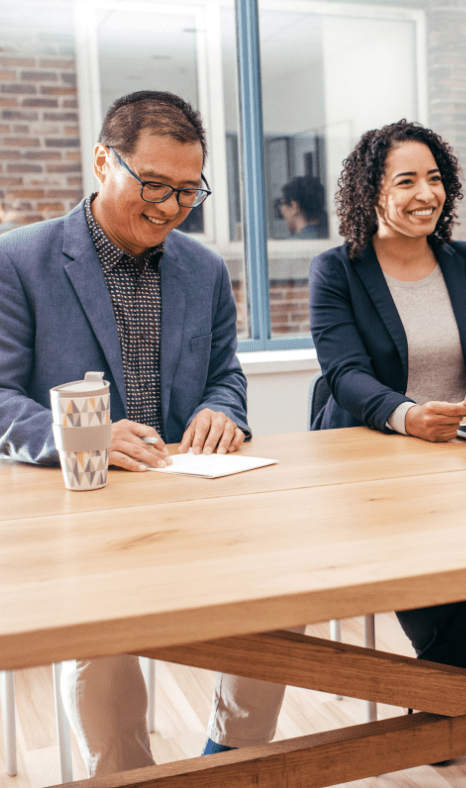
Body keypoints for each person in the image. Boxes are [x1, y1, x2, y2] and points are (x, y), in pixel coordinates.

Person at [200, 119, 466, 754]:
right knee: (414, 565)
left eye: (435, 178)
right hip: (374, 458)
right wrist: (408, 415)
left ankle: (437, 692)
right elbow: (344, 373)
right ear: (371, 193)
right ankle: (450, 701)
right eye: (406, 180)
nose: (424, 192)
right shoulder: (337, 270)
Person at [0, 90, 250, 775]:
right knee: (103, 639)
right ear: (102, 161)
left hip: (191, 502)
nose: (170, 208)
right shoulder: (19, 261)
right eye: (153, 186)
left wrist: (222, 410)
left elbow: (227, 375)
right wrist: (82, 438)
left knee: (278, 610)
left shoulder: (202, 270)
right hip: (84, 512)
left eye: (187, 192)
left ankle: (231, 758)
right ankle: (129, 775)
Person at [276, 175, 328, 239]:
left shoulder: (292, 246)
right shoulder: (328, 237)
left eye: (282, 203)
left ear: (294, 207)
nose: (281, 210)